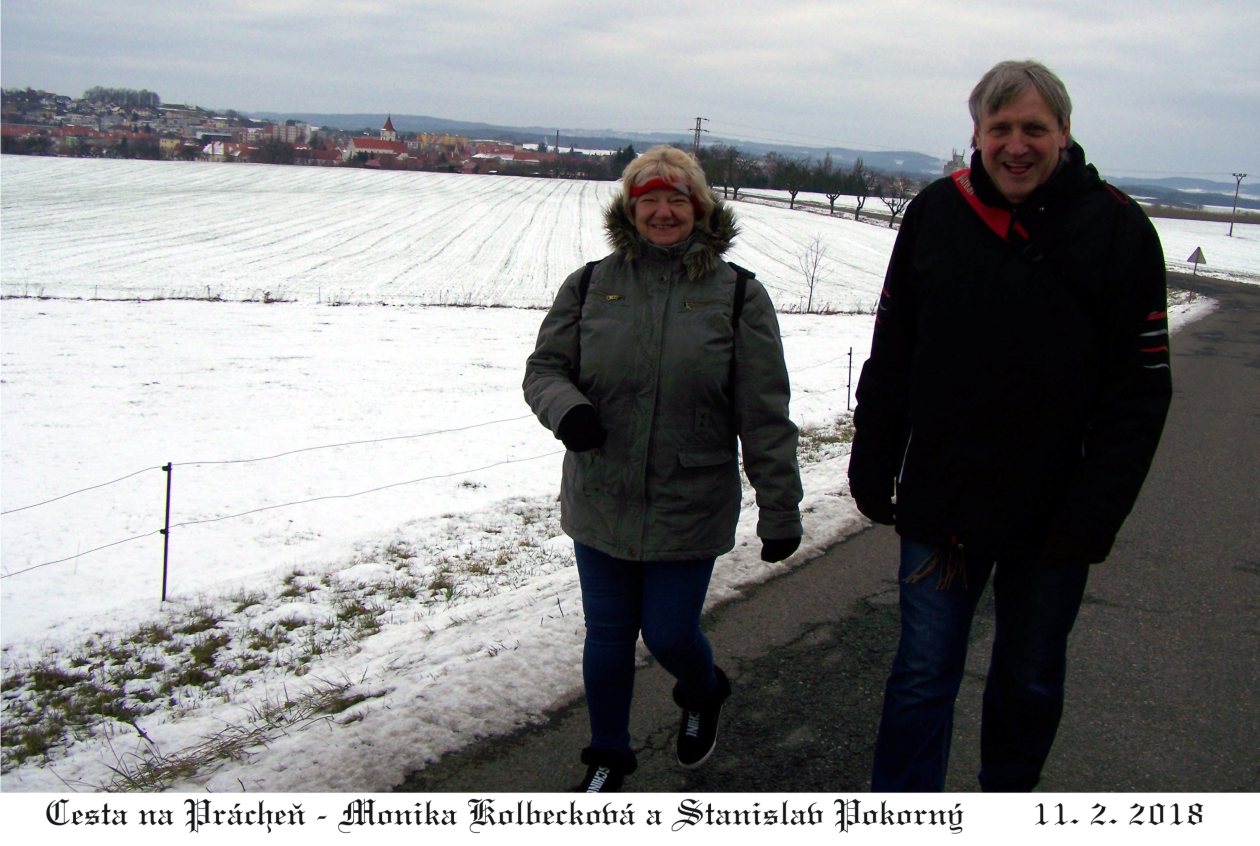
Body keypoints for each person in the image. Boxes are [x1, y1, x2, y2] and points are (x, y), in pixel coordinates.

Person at [848, 60, 1172, 792]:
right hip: (943, 501)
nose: (1016, 145)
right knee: (922, 676)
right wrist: (873, 457)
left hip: (1055, 515)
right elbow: (894, 346)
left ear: (1063, 133)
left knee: (1026, 682)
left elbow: (1140, 394)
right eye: (1001, 129)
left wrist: (1097, 513)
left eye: (1034, 128)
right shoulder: (936, 212)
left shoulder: (1118, 227)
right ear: (976, 136)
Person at [524, 145, 803, 792]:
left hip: (690, 495)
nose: (663, 210)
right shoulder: (591, 283)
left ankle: (703, 692)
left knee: (672, 634)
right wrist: (568, 411)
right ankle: (607, 755)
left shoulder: (737, 295)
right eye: (649, 197)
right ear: (630, 207)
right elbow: (545, 371)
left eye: (678, 198)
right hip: (603, 491)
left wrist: (780, 507)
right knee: (610, 636)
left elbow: (764, 411)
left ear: (700, 208)